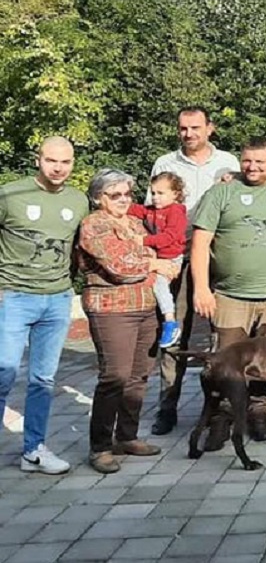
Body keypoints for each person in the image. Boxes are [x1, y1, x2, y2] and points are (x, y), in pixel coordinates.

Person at [191, 138, 266, 446]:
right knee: (226, 362)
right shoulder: (222, 191)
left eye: (260, 162)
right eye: (247, 161)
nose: (252, 167)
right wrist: (201, 288)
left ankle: (260, 414)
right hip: (231, 296)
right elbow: (200, 242)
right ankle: (221, 419)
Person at [77, 169, 177, 473]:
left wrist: (158, 264)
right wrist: (156, 264)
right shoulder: (94, 224)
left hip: (145, 307)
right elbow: (119, 266)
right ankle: (100, 447)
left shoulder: (134, 222)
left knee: (138, 375)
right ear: (98, 198)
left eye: (127, 194)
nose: (123, 199)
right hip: (111, 308)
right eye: (115, 195)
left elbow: (153, 254)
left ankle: (127, 436)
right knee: (115, 377)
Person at [0, 137, 88, 475]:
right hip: (14, 297)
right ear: (38, 159)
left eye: (65, 162)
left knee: (42, 379)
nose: (58, 168)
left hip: (57, 299)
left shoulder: (78, 200)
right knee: (4, 373)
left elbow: (80, 247)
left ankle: (33, 450)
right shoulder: (11, 195)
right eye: (51, 160)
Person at [150, 107, 240, 436]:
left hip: (219, 256)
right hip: (179, 257)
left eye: (196, 127)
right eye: (183, 128)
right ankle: (167, 406)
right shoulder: (165, 164)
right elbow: (152, 213)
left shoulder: (228, 162)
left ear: (210, 128)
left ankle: (221, 407)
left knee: (224, 333)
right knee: (175, 333)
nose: (189, 134)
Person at [127, 172, 187, 348]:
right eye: (153, 193)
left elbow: (169, 237)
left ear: (175, 194)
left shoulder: (176, 212)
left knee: (159, 285)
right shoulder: (151, 210)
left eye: (161, 193)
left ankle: (170, 322)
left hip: (171, 258)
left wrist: (143, 241)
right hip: (157, 257)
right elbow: (134, 209)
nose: (155, 197)